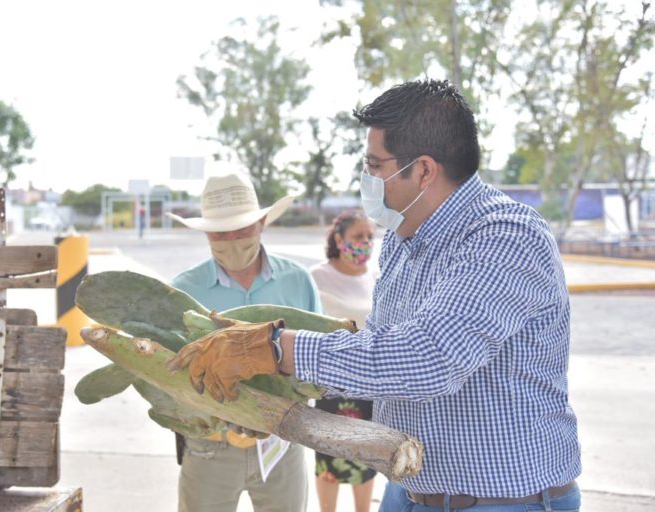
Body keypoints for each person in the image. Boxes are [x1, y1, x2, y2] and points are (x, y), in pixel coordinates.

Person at [170, 80, 582, 512]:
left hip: (503, 500)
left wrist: (274, 348)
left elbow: (427, 359)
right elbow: (377, 353)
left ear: (423, 171)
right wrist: (263, 392)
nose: (366, 177)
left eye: (374, 164)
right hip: (409, 487)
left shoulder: (503, 237)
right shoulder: (404, 241)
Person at [166, 172, 321, 512]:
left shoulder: (299, 282)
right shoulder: (182, 290)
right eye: (221, 233)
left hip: (282, 445)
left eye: (242, 228)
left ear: (262, 221)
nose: (232, 239)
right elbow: (169, 375)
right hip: (210, 446)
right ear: (206, 232)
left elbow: (319, 362)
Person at [309, 209, 377, 512]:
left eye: (370, 237)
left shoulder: (376, 277)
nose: (365, 243)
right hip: (330, 384)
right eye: (358, 236)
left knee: (366, 456)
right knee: (329, 457)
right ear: (339, 239)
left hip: (371, 385)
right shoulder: (317, 277)